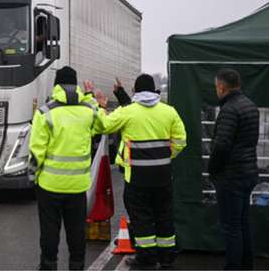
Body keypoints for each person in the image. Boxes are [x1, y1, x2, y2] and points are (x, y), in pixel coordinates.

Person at [92, 74, 187, 270]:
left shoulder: (129, 112)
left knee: (141, 217)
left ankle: (146, 258)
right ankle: (167, 257)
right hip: (163, 175)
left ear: (135, 91)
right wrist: (166, 156)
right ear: (154, 90)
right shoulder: (169, 111)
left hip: (136, 177)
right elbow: (181, 141)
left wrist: (101, 107)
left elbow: (104, 126)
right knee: (164, 215)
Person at [30, 66, 106, 270]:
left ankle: (48, 266)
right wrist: (91, 98)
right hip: (77, 185)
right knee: (76, 231)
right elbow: (103, 126)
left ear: (56, 85)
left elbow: (36, 151)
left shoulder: (45, 113)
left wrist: (34, 177)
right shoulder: (88, 111)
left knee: (49, 231)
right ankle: (77, 266)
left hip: (49, 185)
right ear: (76, 84)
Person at [209, 68, 259, 270]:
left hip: (232, 176)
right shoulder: (250, 105)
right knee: (242, 223)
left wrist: (212, 170)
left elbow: (221, 145)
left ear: (221, 87)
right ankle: (247, 266)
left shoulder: (229, 109)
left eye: (216, 87)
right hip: (248, 172)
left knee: (231, 228)